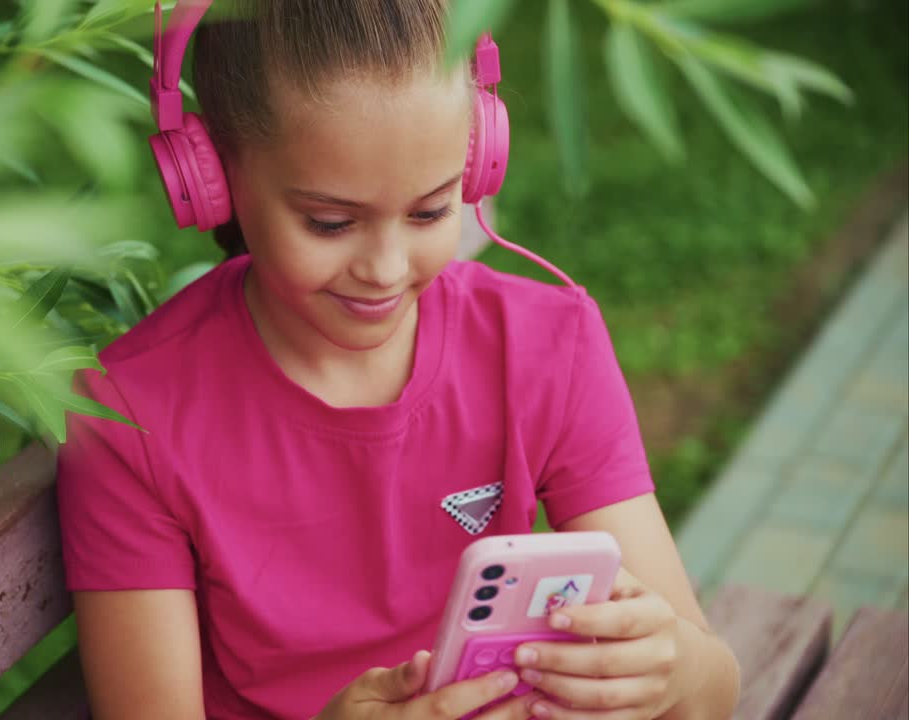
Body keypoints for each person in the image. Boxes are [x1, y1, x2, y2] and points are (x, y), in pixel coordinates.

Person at [56, 1, 741, 717]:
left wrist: (673, 667)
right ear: (213, 181)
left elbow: (713, 692)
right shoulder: (130, 415)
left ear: (477, 164)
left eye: (430, 212)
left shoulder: (546, 346)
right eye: (330, 222)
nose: (385, 269)